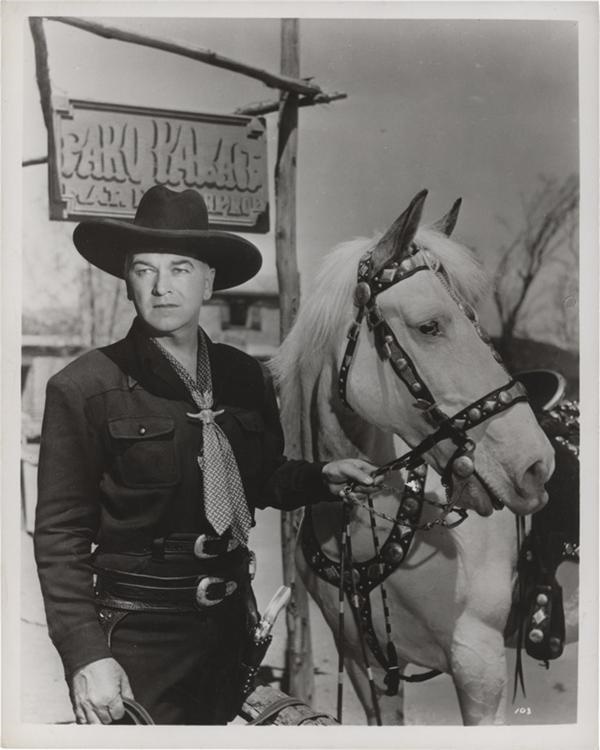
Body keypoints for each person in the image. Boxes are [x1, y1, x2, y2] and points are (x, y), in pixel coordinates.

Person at [34, 185, 377, 726]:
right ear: (127, 281)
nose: (162, 286)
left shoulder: (246, 377)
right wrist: (86, 654)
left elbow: (263, 480)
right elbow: (60, 538)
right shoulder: (83, 388)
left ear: (209, 280)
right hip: (135, 639)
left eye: (181, 268)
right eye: (145, 269)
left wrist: (321, 477)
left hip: (229, 632)